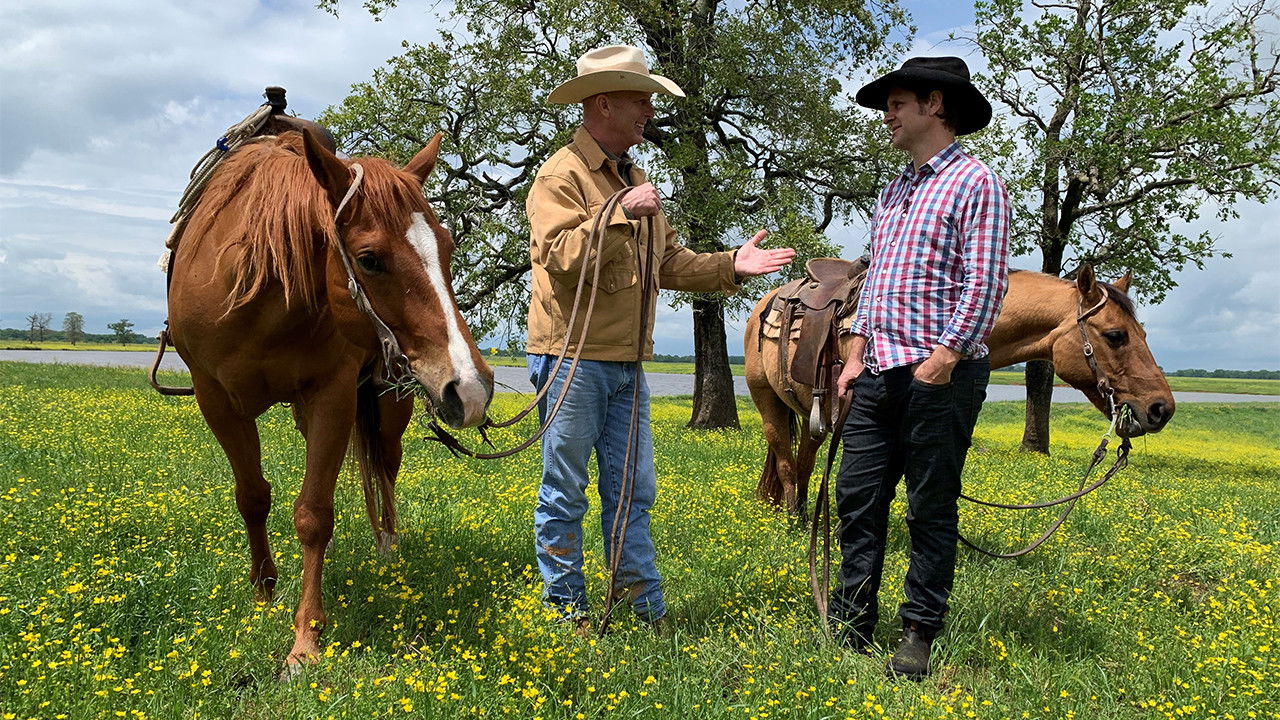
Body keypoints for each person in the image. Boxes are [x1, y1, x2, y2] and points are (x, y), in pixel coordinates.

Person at [526, 45, 795, 632]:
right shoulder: (560, 175)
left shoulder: (635, 178)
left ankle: (643, 609)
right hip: (571, 359)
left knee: (633, 490)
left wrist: (731, 264)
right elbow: (560, 257)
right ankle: (566, 612)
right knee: (565, 490)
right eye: (641, 100)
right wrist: (621, 212)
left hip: (625, 362)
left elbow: (668, 262)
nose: (650, 111)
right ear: (604, 103)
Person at [831, 56, 1010, 678]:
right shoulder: (894, 190)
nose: (887, 115)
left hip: (940, 374)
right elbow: (876, 282)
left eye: (896, 104)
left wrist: (947, 355)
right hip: (878, 368)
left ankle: (918, 632)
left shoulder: (976, 182)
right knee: (857, 498)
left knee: (929, 506)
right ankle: (851, 622)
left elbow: (985, 282)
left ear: (934, 105)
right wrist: (855, 353)